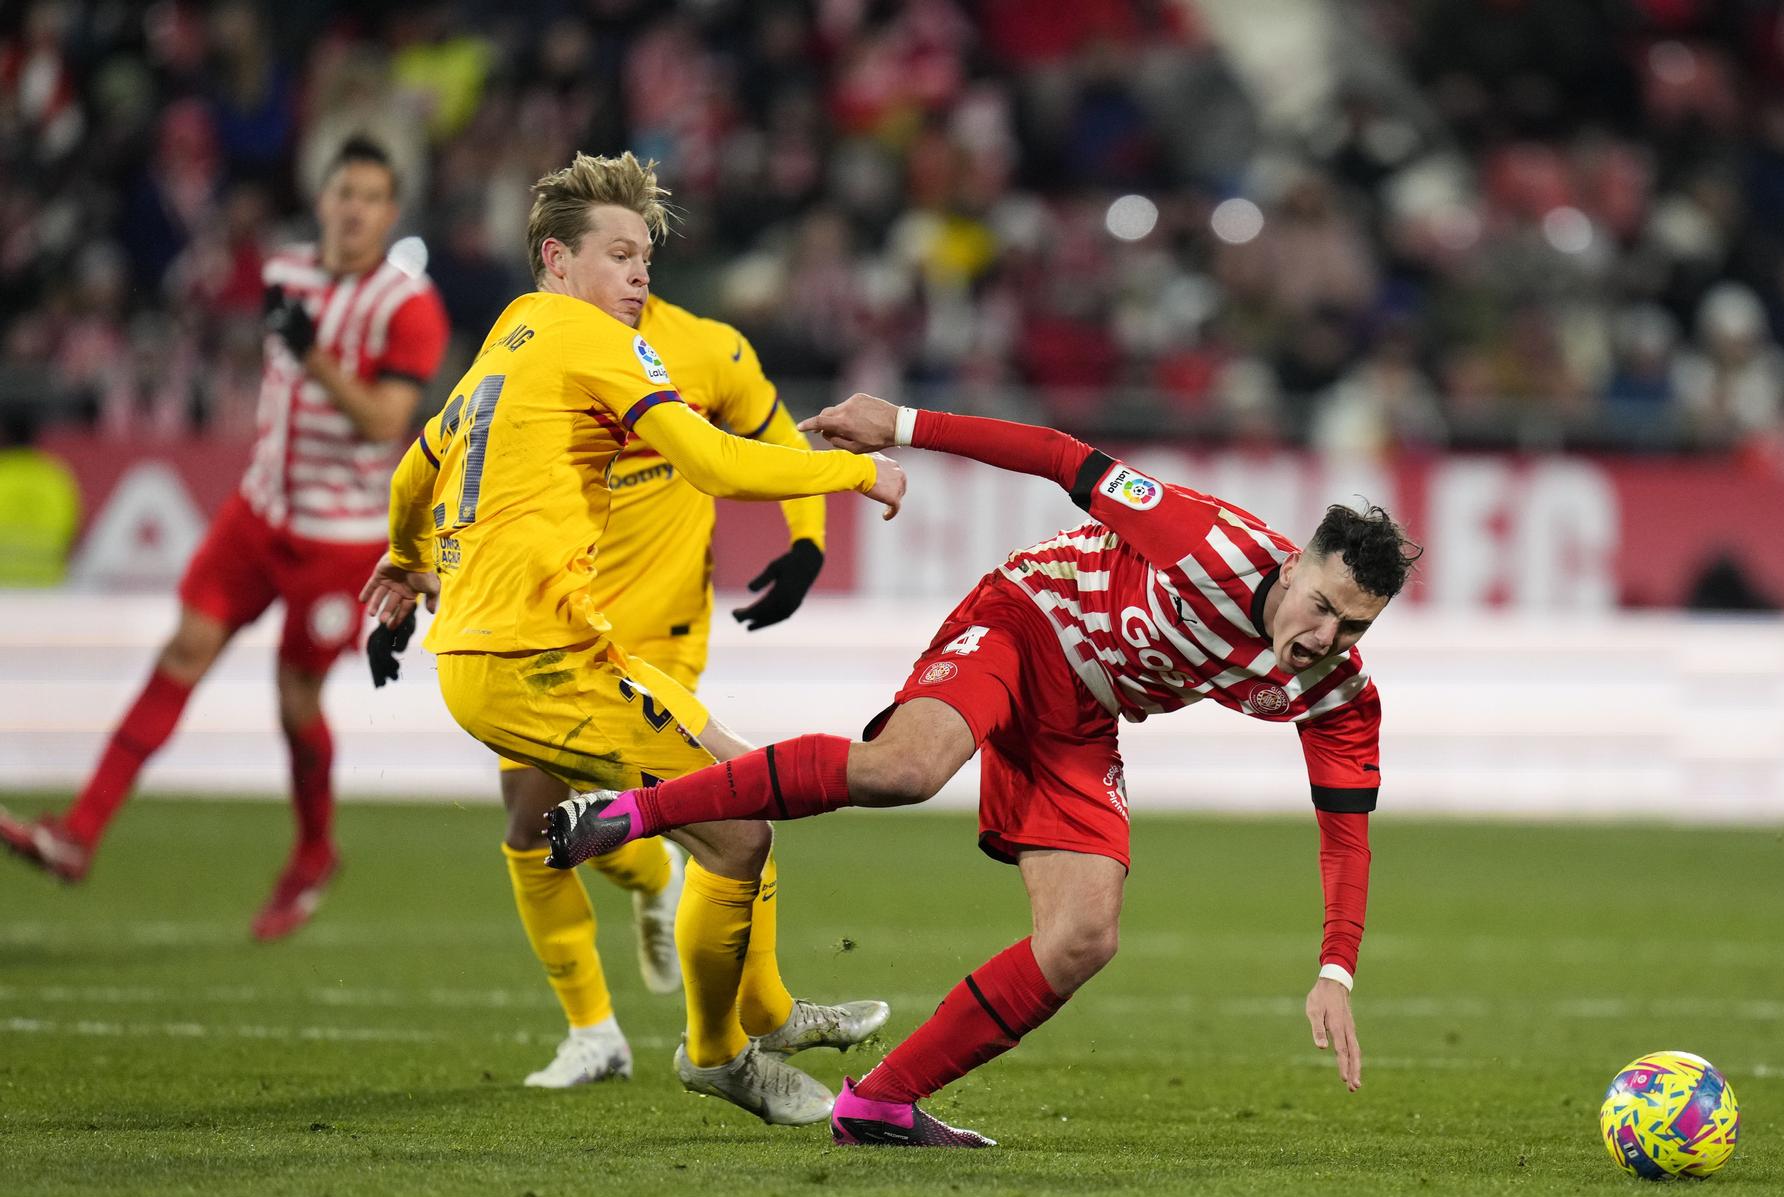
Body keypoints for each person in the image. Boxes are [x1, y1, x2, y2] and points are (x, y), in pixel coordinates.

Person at [546, 394, 1419, 1148]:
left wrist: (1335, 969)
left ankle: (879, 1103)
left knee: (1085, 935)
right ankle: (631, 812)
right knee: (907, 768)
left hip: (1081, 718)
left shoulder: (1335, 691)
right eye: (1322, 606)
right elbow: (1058, 455)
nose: (1324, 637)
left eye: (1352, 627)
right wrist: (900, 422)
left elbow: (1347, 835)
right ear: (1295, 561)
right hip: (1030, 617)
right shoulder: (1205, 538)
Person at [360, 152, 906, 1123]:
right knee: (738, 828)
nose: (639, 275)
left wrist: (405, 560)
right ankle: (714, 1051)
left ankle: (758, 1012)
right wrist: (852, 478)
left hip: (526, 652)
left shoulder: (510, 336)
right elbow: (711, 460)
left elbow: (414, 469)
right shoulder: (597, 341)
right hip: (536, 661)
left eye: (646, 256)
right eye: (618, 255)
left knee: (737, 800)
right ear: (555, 259)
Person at [1, 136, 448, 941]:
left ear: (390, 212)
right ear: (322, 200)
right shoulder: (286, 272)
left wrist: (313, 358)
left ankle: (314, 853)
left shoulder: (408, 307)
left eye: (371, 197)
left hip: (339, 538)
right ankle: (78, 832)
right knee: (182, 651)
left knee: (294, 699)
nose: (352, 209)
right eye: (342, 192)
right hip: (257, 512)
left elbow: (386, 421)